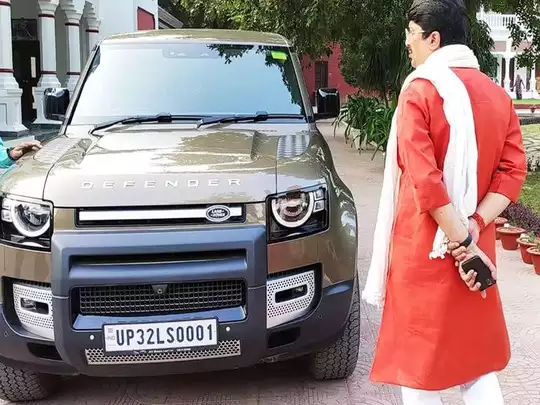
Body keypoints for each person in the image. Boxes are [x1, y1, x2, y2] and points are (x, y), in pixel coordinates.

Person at [361, 0, 527, 404]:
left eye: (412, 35)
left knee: (418, 370)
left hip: (425, 251)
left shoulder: (419, 90)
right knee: (476, 364)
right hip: (475, 252)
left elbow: (424, 179)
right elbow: (513, 172)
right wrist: (472, 228)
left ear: (434, 39)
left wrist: (459, 241)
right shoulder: (497, 95)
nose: (408, 44)